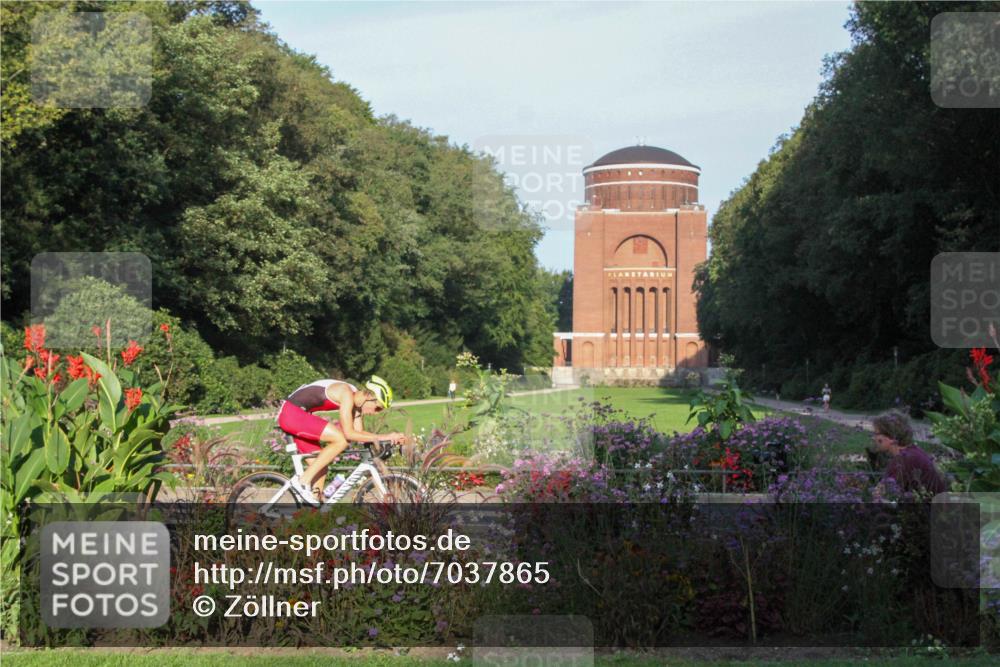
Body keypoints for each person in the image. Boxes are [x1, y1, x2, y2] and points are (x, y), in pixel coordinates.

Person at [277, 375, 404, 504]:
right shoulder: (347, 394)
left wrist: (386, 439)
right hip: (291, 413)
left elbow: (358, 433)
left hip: (299, 414)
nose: (376, 412)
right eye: (377, 407)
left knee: (320, 465)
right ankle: (302, 482)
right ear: (369, 397)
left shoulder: (356, 402)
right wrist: (384, 437)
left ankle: (313, 511)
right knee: (341, 440)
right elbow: (349, 434)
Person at [868, 411, 948, 496]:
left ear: (891, 438)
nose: (873, 438)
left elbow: (884, 496)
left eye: (876, 434)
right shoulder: (913, 452)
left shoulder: (905, 459)